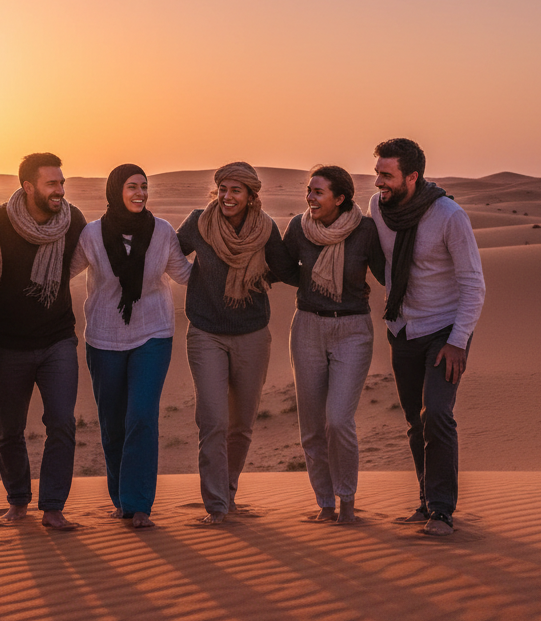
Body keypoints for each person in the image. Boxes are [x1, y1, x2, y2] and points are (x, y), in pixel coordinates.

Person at [371, 138, 485, 537]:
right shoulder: (377, 208)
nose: (379, 182)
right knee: (414, 421)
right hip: (402, 329)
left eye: (387, 175)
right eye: (377, 173)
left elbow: (473, 283)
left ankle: (441, 511)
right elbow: (384, 263)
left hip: (444, 332)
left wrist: (458, 340)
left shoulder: (448, 215)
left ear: (413, 176)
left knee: (436, 413)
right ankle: (424, 501)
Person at [71, 164, 191, 529]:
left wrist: (227, 260)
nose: (140, 193)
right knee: (112, 422)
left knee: (141, 415)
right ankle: (121, 499)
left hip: (153, 333)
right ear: (114, 191)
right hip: (104, 338)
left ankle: (139, 504)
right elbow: (61, 271)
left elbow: (184, 274)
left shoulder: (162, 231)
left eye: (144, 187)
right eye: (132, 187)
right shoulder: (92, 235)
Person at [177, 162, 297, 523]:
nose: (228, 197)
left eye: (236, 191)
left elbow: (287, 271)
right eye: (223, 189)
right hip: (206, 333)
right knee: (212, 421)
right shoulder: (199, 222)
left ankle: (228, 491)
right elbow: (166, 254)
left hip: (252, 335)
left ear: (250, 195)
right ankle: (215, 506)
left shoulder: (265, 229)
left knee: (241, 423)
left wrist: (257, 275)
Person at [0, 153, 86, 531]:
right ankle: (17, 500)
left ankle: (54, 507)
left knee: (61, 422)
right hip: (8, 343)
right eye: (51, 184)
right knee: (8, 428)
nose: (60, 190)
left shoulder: (72, 220)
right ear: (28, 187)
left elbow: (85, 257)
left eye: (62, 182)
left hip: (57, 339)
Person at [282, 166, 385, 524]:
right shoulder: (298, 227)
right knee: (311, 426)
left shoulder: (366, 230)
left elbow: (388, 273)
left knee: (338, 420)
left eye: (318, 192)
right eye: (309, 190)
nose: (310, 197)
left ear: (340, 199)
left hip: (353, 328)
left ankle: (348, 501)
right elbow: (281, 266)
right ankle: (325, 503)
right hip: (308, 325)